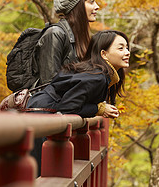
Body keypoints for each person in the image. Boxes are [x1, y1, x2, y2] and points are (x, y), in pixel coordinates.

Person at [27, 30, 130, 175]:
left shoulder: (98, 74)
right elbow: (68, 107)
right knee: (37, 173)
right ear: (104, 54)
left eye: (127, 48)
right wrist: (98, 109)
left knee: (37, 172)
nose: (127, 52)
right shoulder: (97, 77)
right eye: (121, 48)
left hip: (41, 111)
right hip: (42, 113)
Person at [35, 0, 100, 87]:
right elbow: (48, 85)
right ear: (77, 5)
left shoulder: (84, 39)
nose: (97, 6)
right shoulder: (55, 34)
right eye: (91, 1)